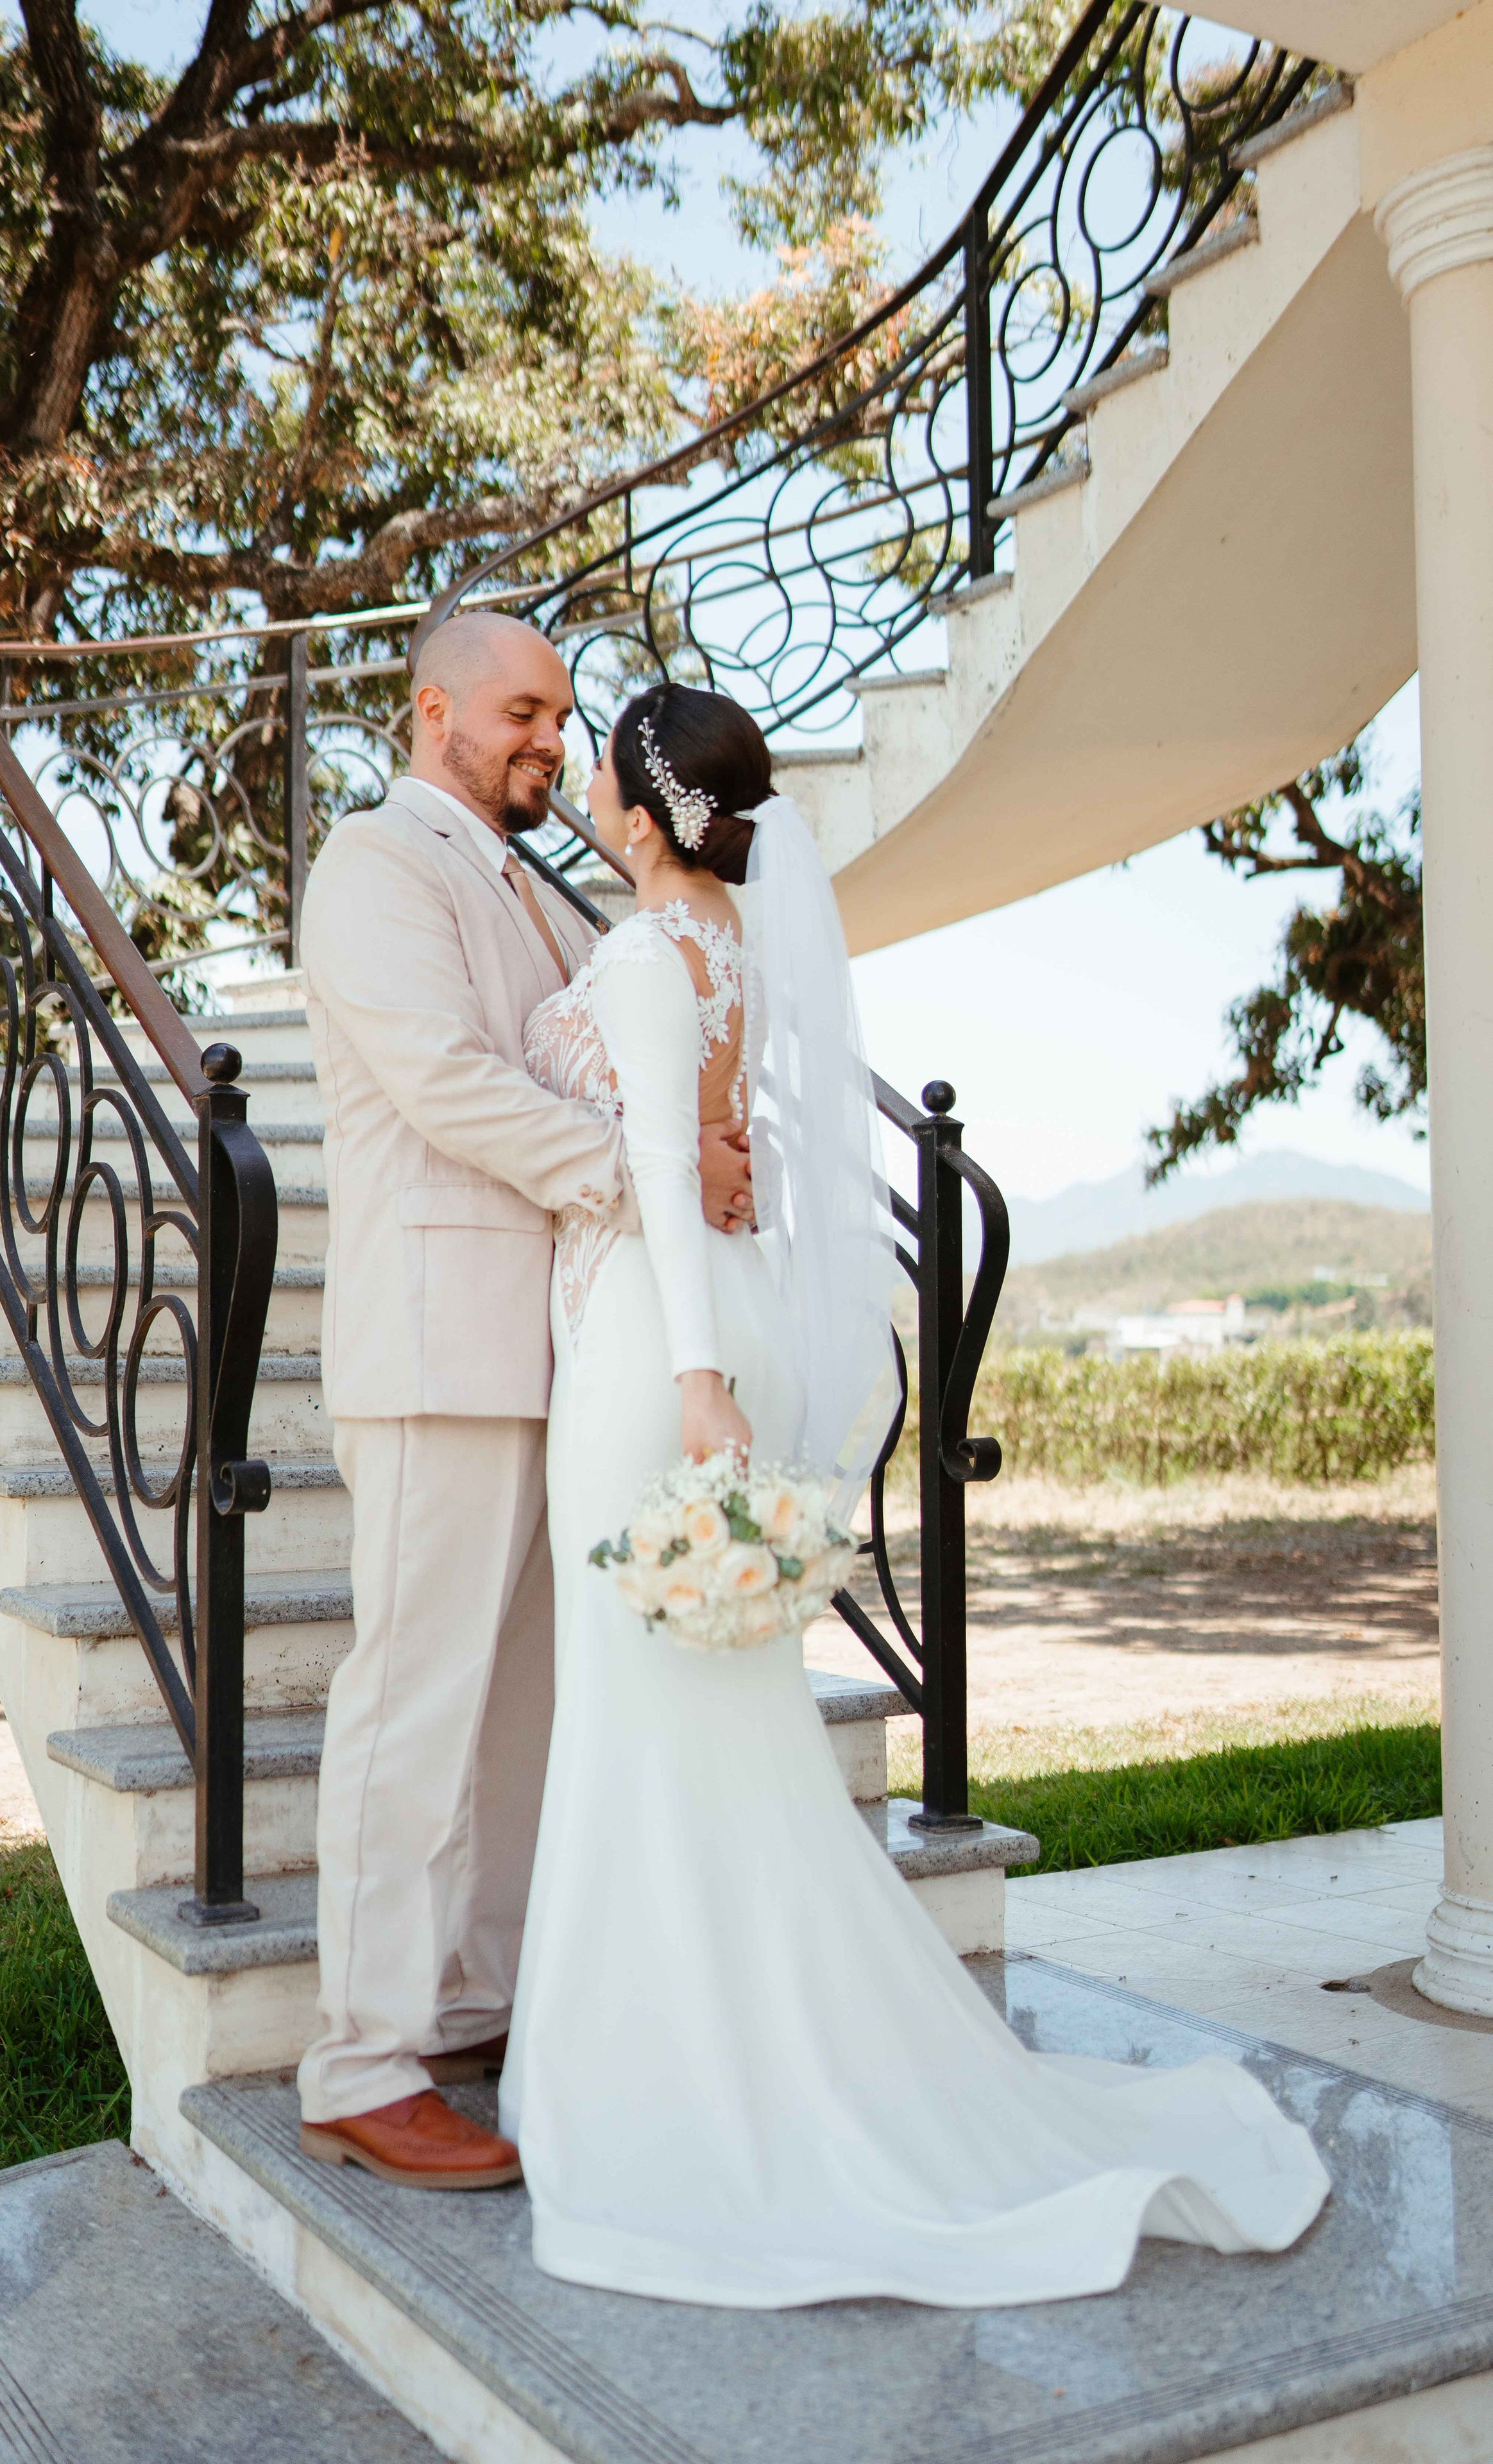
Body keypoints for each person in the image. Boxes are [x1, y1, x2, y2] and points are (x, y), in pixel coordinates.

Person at [501, 678, 1331, 2306]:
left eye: (601, 764)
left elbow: (664, 1175)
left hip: (651, 1351)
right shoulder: (724, 948)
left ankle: (665, 2090)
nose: (584, 782)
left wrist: (692, 1387)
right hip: (687, 1319)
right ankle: (677, 2048)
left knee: (647, 1718)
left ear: (643, 799)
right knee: (694, 1726)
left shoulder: (645, 953)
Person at [294, 616, 752, 2193]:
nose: (551, 739)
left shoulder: (535, 891)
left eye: (561, 715)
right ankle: (357, 2059)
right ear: (434, 714)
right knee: (412, 1699)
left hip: (554, 1356)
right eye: (522, 711)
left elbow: (598, 1068)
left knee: (513, 1712)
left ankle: (471, 2004)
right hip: (434, 1341)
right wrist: (648, 1180)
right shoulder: (373, 865)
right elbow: (449, 1082)